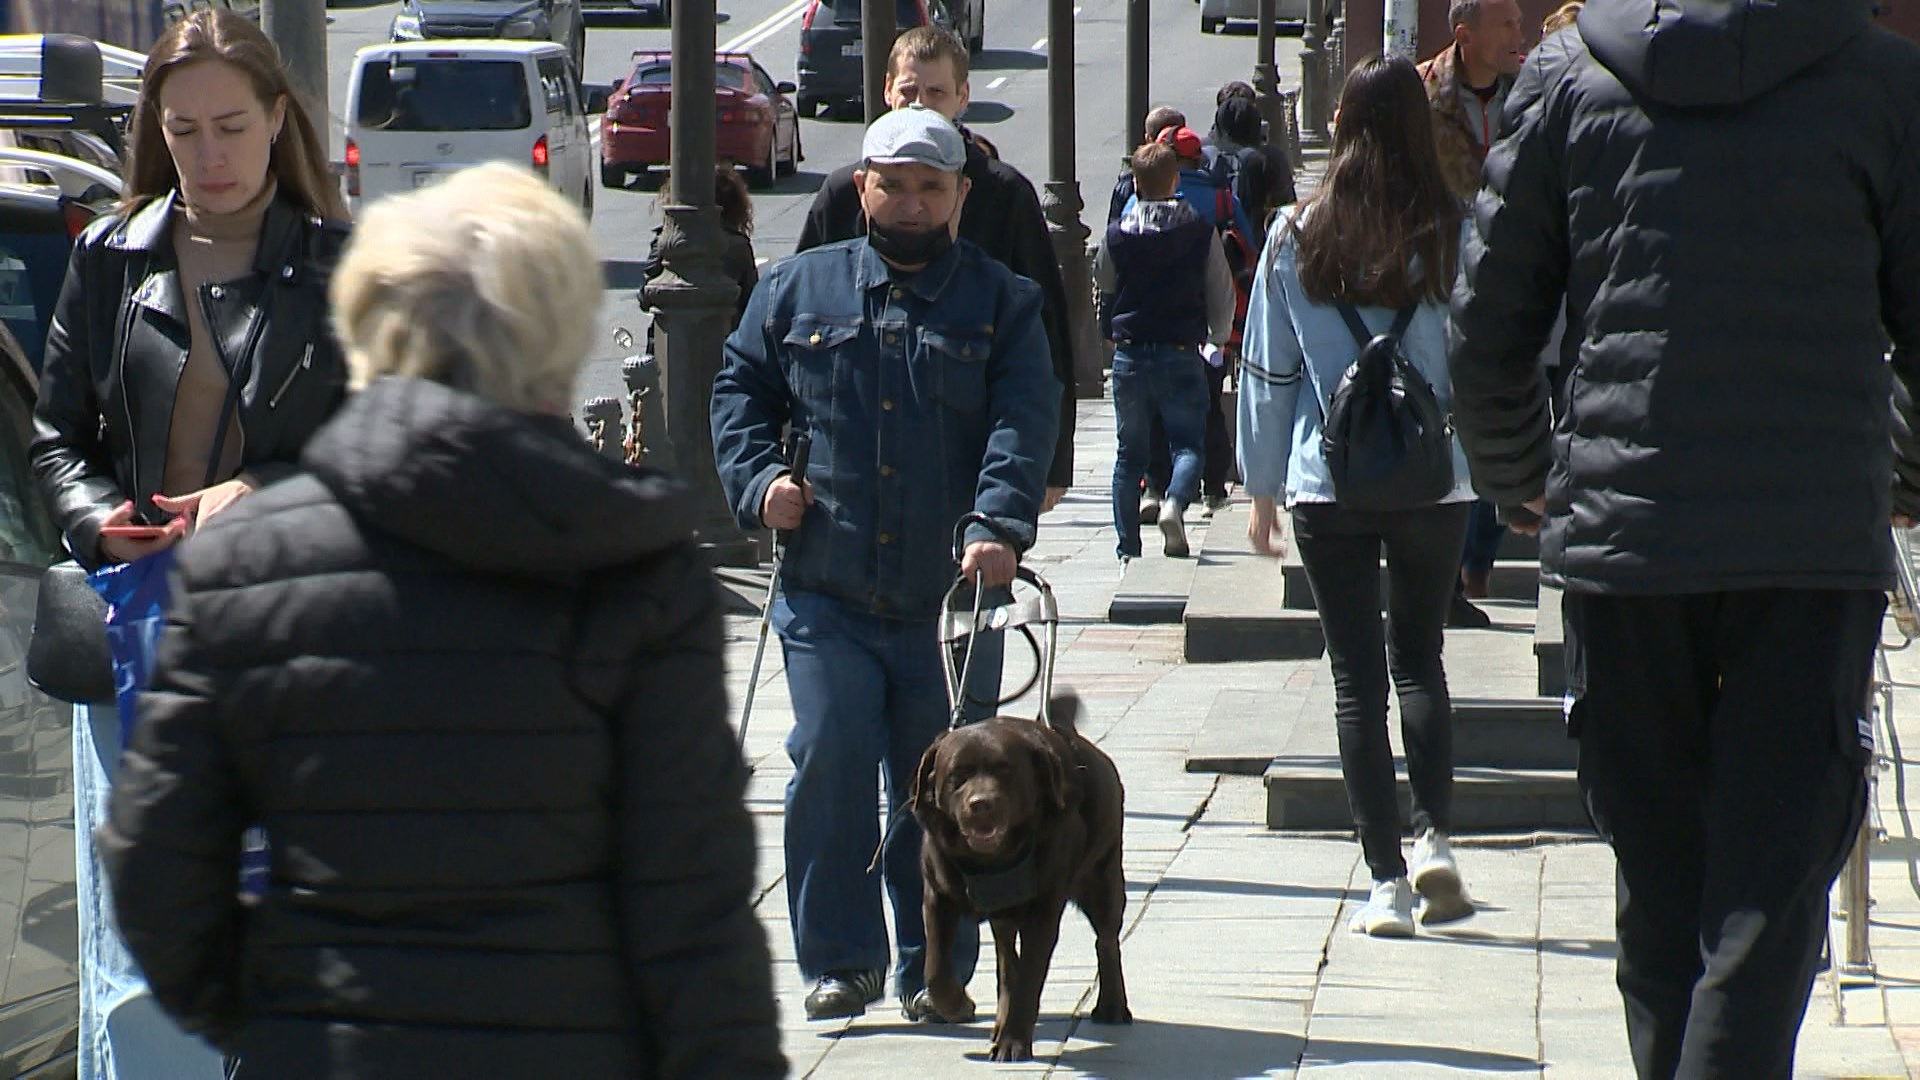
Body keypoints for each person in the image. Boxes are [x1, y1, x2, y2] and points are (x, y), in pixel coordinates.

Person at [100, 163, 787, 1078]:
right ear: (554, 334)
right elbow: (692, 904)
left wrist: (274, 1013)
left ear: (370, 330)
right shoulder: (634, 565)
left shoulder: (242, 567)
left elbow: (156, 866)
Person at [1448, 0, 1920, 1074]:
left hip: (1629, 534)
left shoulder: (1569, 77)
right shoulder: (1882, 83)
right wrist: (1896, 478)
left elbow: (1486, 329)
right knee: (1770, 889)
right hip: (1807, 543)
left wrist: (1524, 478)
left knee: (1658, 885)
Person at [28, 10, 349, 1077]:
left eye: (229, 127)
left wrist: (258, 488)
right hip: (136, 629)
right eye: (181, 130)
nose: (207, 156)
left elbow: (387, 450)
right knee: (145, 951)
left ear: (275, 121)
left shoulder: (344, 266)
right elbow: (55, 441)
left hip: (287, 629)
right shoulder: (109, 257)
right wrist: (94, 520)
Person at [713, 105, 1059, 1025]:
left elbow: (1023, 423)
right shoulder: (796, 290)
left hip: (949, 601)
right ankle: (841, 960)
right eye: (892, 184)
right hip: (825, 589)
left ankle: (932, 968)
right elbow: (738, 389)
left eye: (929, 187)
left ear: (958, 196)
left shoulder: (1004, 303)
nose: (909, 203)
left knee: (947, 784)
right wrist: (760, 482)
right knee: (828, 758)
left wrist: (999, 522)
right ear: (861, 184)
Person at [1238, 55, 1478, 938]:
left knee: (1355, 684)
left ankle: (1383, 883)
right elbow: (1477, 363)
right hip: (1434, 480)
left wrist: (1260, 485)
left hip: (1325, 478)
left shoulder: (1296, 234)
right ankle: (1436, 840)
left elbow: (1268, 371)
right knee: (1421, 660)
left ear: (1340, 125)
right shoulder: (1454, 229)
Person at [796, 26, 1073, 516]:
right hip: (856, 452)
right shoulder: (844, 194)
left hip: (967, 450)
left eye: (936, 93)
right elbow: (797, 319)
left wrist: (1052, 464)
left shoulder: (1004, 194)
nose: (920, 105)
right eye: (908, 92)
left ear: (963, 96)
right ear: (887, 92)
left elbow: (1047, 327)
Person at [1418, 0, 1525, 629]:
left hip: (1513, 276)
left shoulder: (1534, 89)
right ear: (1465, 35)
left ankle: (1479, 555)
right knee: (1449, 414)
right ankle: (1457, 567)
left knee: (1497, 405)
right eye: (1507, 23)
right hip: (1439, 279)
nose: (1520, 32)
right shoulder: (1422, 92)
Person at [1095, 139, 1236, 562]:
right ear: (1175, 180)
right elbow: (1221, 291)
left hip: (1132, 353)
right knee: (1188, 445)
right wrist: (1218, 337)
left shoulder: (1119, 234)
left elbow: (1103, 278)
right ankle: (1175, 501)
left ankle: (1127, 552)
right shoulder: (1198, 230)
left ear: (1135, 184)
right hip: (1180, 349)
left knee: (1128, 457)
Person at [644, 164, 759, 330]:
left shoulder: (667, 240)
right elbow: (752, 302)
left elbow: (644, 295)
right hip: (725, 337)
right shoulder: (738, 245)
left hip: (670, 339)